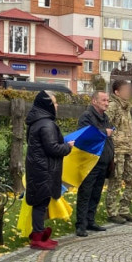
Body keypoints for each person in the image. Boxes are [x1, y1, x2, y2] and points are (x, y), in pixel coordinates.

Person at [25, 90, 73, 249]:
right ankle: (38, 237)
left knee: (41, 201)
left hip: (38, 167)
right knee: (41, 203)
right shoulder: (47, 124)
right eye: (54, 102)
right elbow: (53, 148)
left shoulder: (36, 122)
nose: (57, 105)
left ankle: (39, 232)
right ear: (47, 104)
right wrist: (68, 147)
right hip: (44, 170)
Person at [74, 90, 114, 236]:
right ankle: (81, 224)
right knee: (86, 192)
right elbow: (84, 136)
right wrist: (104, 132)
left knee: (96, 193)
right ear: (94, 101)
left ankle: (90, 220)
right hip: (90, 161)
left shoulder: (105, 117)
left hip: (103, 161)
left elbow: (108, 139)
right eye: (104, 100)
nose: (106, 103)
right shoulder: (86, 116)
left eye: (108, 100)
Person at [104, 80, 132, 224]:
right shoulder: (113, 106)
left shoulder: (126, 107)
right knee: (116, 181)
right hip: (117, 150)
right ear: (117, 92)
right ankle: (112, 212)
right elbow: (105, 125)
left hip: (127, 150)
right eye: (125, 89)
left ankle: (124, 209)